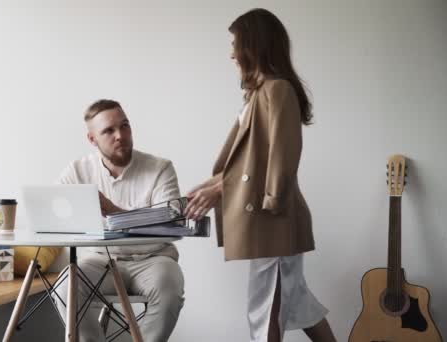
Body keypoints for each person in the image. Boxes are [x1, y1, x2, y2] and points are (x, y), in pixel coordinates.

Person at [184, 8, 336, 342]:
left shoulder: (277, 90)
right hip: (272, 221)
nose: (231, 53)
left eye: (236, 43)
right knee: (296, 303)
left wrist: (225, 191)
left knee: (266, 311)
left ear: (254, 46)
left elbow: (280, 159)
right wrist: (209, 187)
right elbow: (241, 163)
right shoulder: (257, 95)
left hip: (275, 220)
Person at [56, 99, 184, 342]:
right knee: (64, 288)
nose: (120, 135)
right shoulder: (77, 171)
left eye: (124, 126)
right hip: (100, 260)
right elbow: (57, 216)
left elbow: (170, 221)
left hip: (153, 259)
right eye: (109, 130)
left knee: (169, 289)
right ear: (92, 139)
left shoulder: (160, 168)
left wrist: (114, 211)